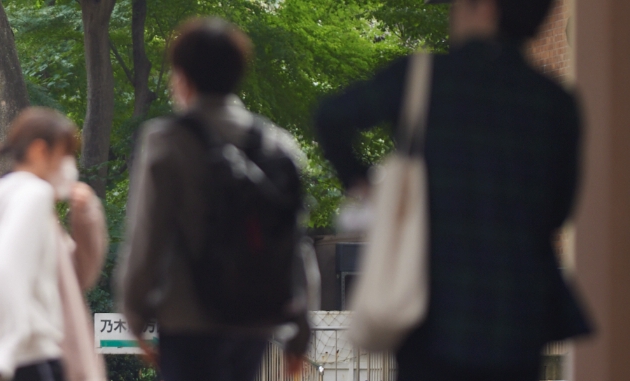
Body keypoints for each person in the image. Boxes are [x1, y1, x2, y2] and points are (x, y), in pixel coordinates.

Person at [313, 0, 592, 379]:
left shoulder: (424, 78)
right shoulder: (555, 103)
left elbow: (330, 117)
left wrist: (363, 183)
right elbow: (559, 209)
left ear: (486, 9)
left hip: (431, 308)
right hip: (520, 313)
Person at [114, 17, 316, 381]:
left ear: (182, 75)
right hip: (255, 319)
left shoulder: (167, 141)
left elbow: (147, 237)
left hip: (188, 318)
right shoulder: (279, 144)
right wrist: (301, 331)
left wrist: (134, 316)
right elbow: (293, 243)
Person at [0, 107, 109, 381]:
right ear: (40, 151)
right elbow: (7, 267)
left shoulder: (8, 198)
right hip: (23, 358)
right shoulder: (33, 195)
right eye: (65, 155)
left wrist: (86, 216)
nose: (70, 166)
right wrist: (9, 348)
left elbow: (75, 277)